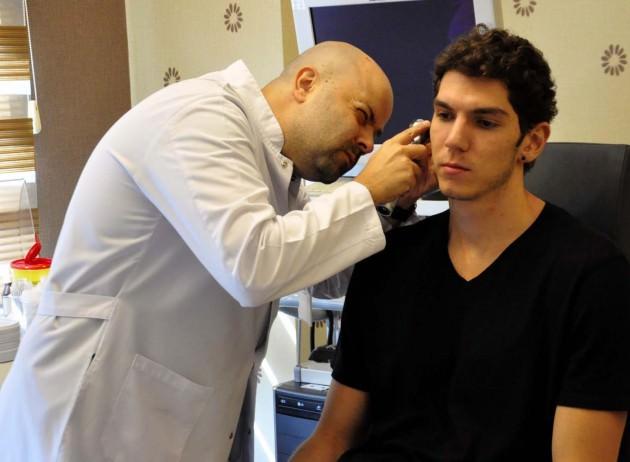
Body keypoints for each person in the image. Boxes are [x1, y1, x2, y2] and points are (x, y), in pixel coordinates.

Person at [0, 41, 435, 462]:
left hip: (167, 422)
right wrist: (366, 191)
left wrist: (393, 207)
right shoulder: (201, 118)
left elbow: (325, 274)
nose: (367, 144)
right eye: (362, 117)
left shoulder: (275, 168)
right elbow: (254, 267)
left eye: (376, 133)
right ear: (306, 83)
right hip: (91, 421)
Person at [291, 25, 630, 462]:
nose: (454, 140)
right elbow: (331, 440)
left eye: (484, 122)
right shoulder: (387, 260)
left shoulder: (592, 279)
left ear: (532, 142)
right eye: (445, 115)